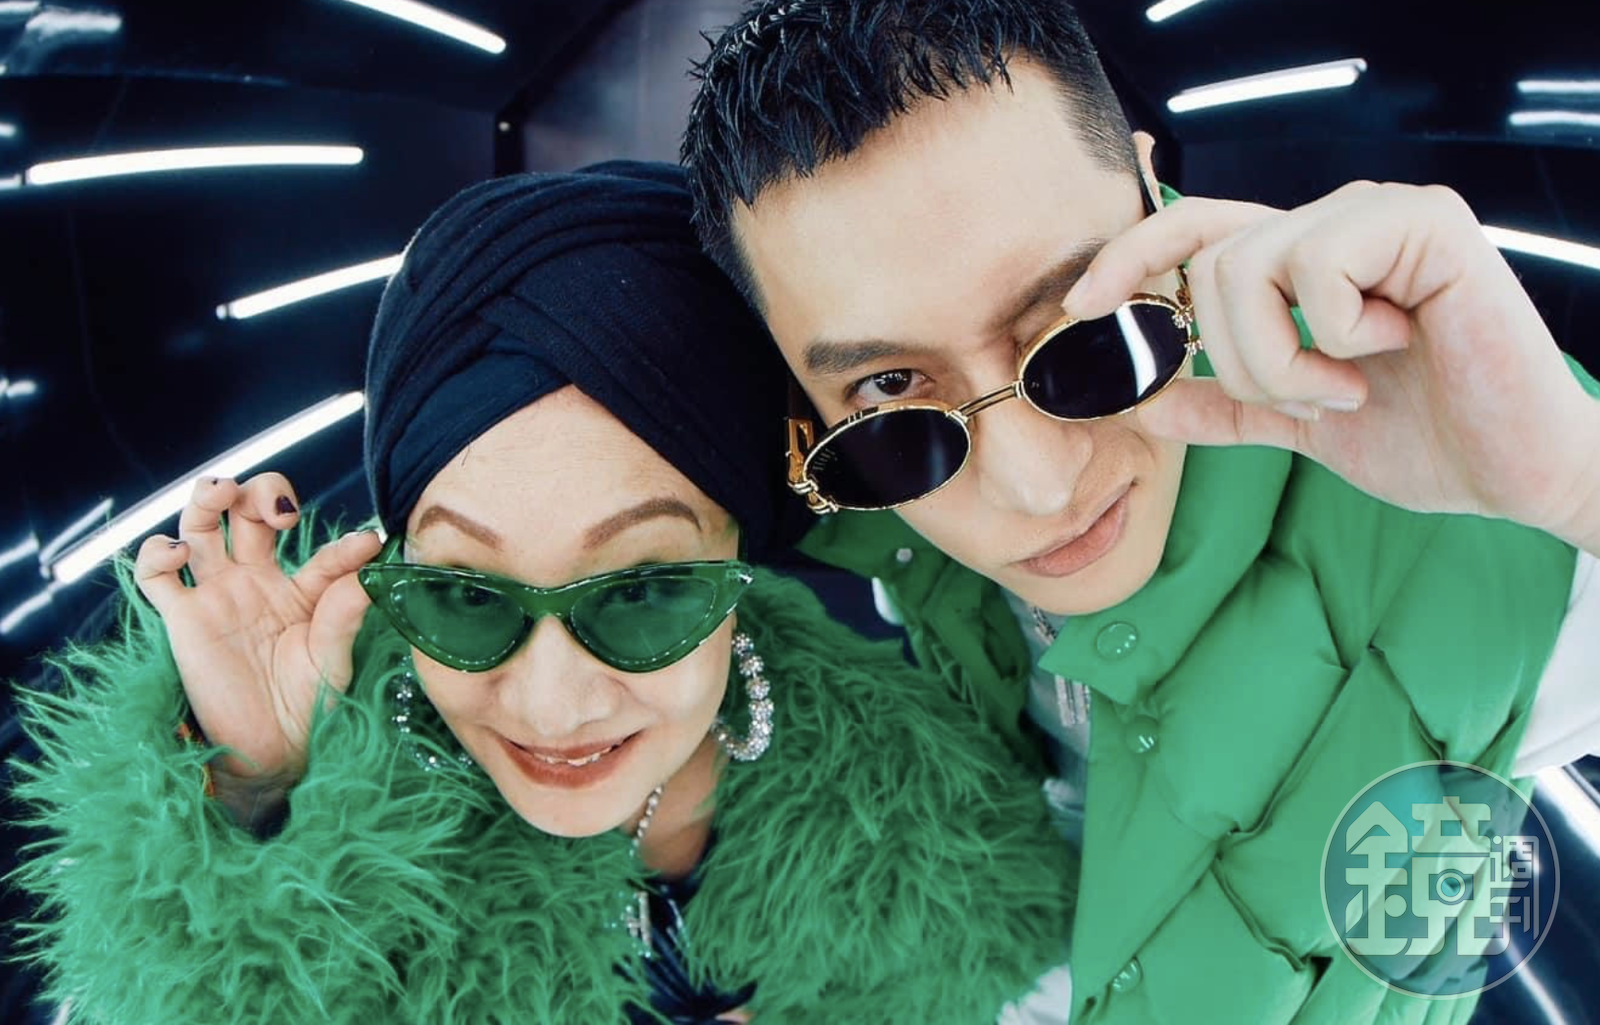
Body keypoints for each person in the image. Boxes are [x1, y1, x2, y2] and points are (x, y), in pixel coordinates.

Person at [680, 2, 1600, 1022]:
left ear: (1154, 194)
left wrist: (1574, 480)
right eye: (894, 391)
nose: (1037, 487)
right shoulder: (895, 535)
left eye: (1076, 322)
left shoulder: (1464, 515)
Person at [10, 163, 1077, 1025]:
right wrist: (255, 790)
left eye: (646, 590)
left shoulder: (928, 821)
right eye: (466, 594)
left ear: (743, 546)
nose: (552, 704)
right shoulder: (332, 788)